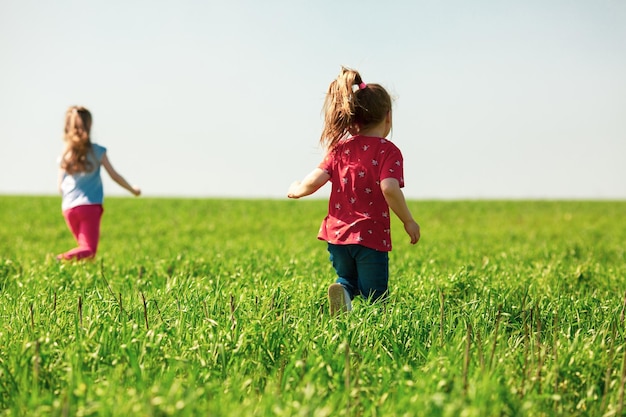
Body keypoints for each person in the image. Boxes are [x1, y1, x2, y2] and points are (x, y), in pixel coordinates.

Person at [288, 67, 421, 316]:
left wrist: (297, 189)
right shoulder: (388, 151)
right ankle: (374, 333)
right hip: (370, 236)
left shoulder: (340, 150)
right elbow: (389, 188)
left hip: (336, 237)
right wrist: (408, 220)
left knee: (346, 278)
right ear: (388, 117)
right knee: (375, 295)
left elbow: (315, 180)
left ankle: (344, 293)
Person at [56, 106, 141, 261]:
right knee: (89, 250)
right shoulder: (97, 151)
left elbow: (60, 187)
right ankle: (59, 259)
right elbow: (114, 176)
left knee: (83, 253)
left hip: (68, 209)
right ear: (89, 125)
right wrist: (132, 190)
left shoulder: (65, 155)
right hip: (89, 207)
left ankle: (78, 276)